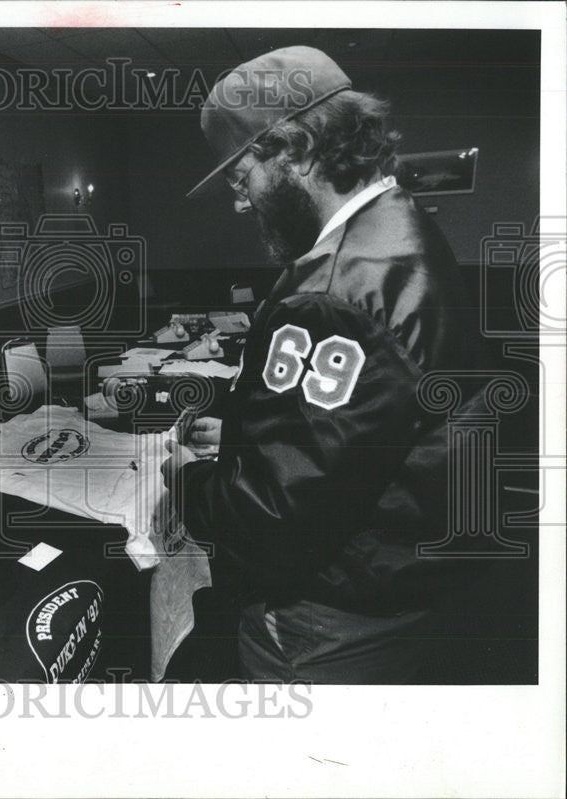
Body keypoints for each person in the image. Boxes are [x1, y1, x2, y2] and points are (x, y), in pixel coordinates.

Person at [161, 46, 492, 683]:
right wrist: (238, 437)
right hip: (408, 586)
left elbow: (270, 526)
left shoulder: (330, 289)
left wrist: (188, 479)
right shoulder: (404, 228)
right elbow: (358, 431)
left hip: (325, 626)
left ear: (298, 149)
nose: (241, 203)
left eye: (242, 177)